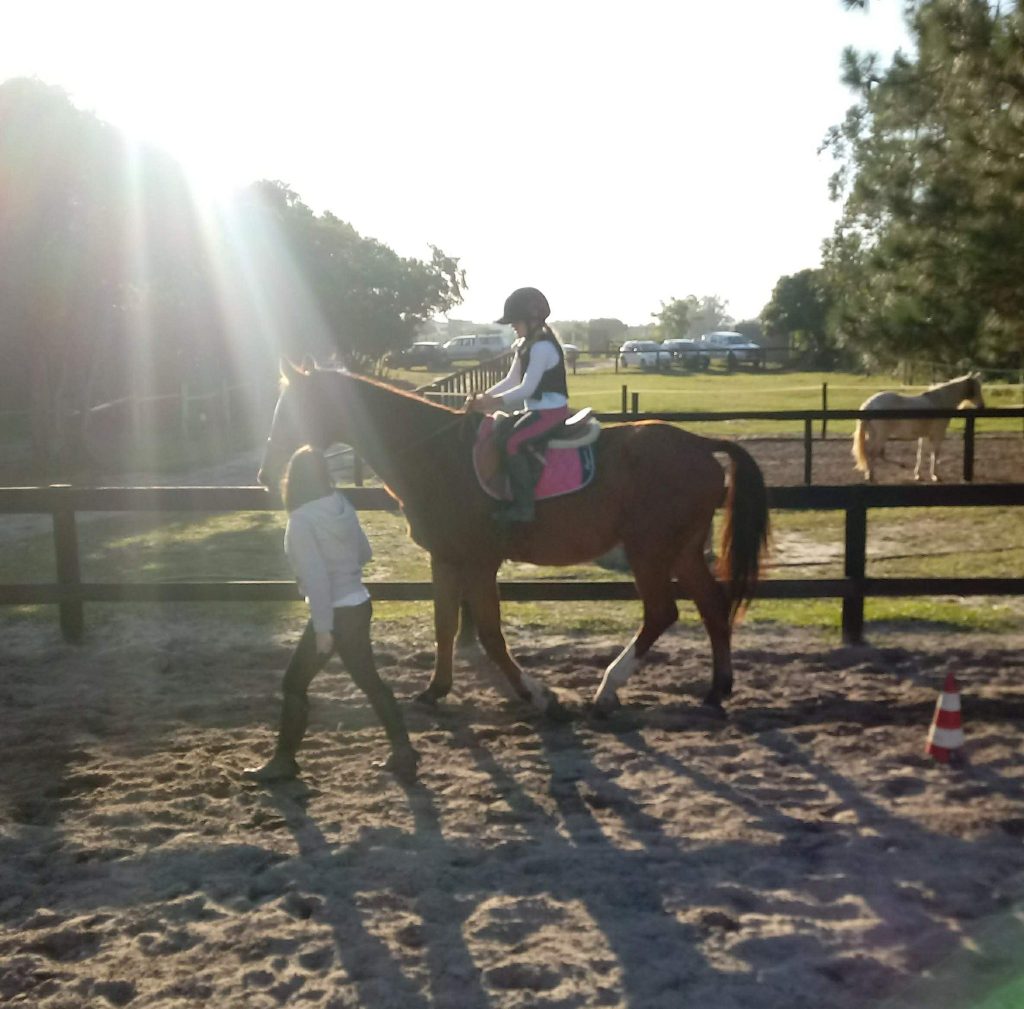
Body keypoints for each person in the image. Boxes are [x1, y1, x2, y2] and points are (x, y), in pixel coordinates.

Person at [243, 445, 420, 784]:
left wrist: (323, 629)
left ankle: (284, 761)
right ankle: (403, 751)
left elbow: (317, 581)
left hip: (335, 612)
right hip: (359, 603)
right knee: (370, 681)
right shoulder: (342, 504)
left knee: (294, 684)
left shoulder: (301, 521)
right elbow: (365, 552)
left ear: (293, 480)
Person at [466, 287, 570, 522]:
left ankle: (525, 508)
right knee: (499, 432)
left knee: (513, 442)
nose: (512, 325)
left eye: (516, 320)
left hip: (551, 412)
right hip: (535, 410)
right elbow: (511, 380)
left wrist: (491, 401)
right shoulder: (525, 345)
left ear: (532, 320)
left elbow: (527, 388)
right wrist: (483, 397)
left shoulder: (542, 347)